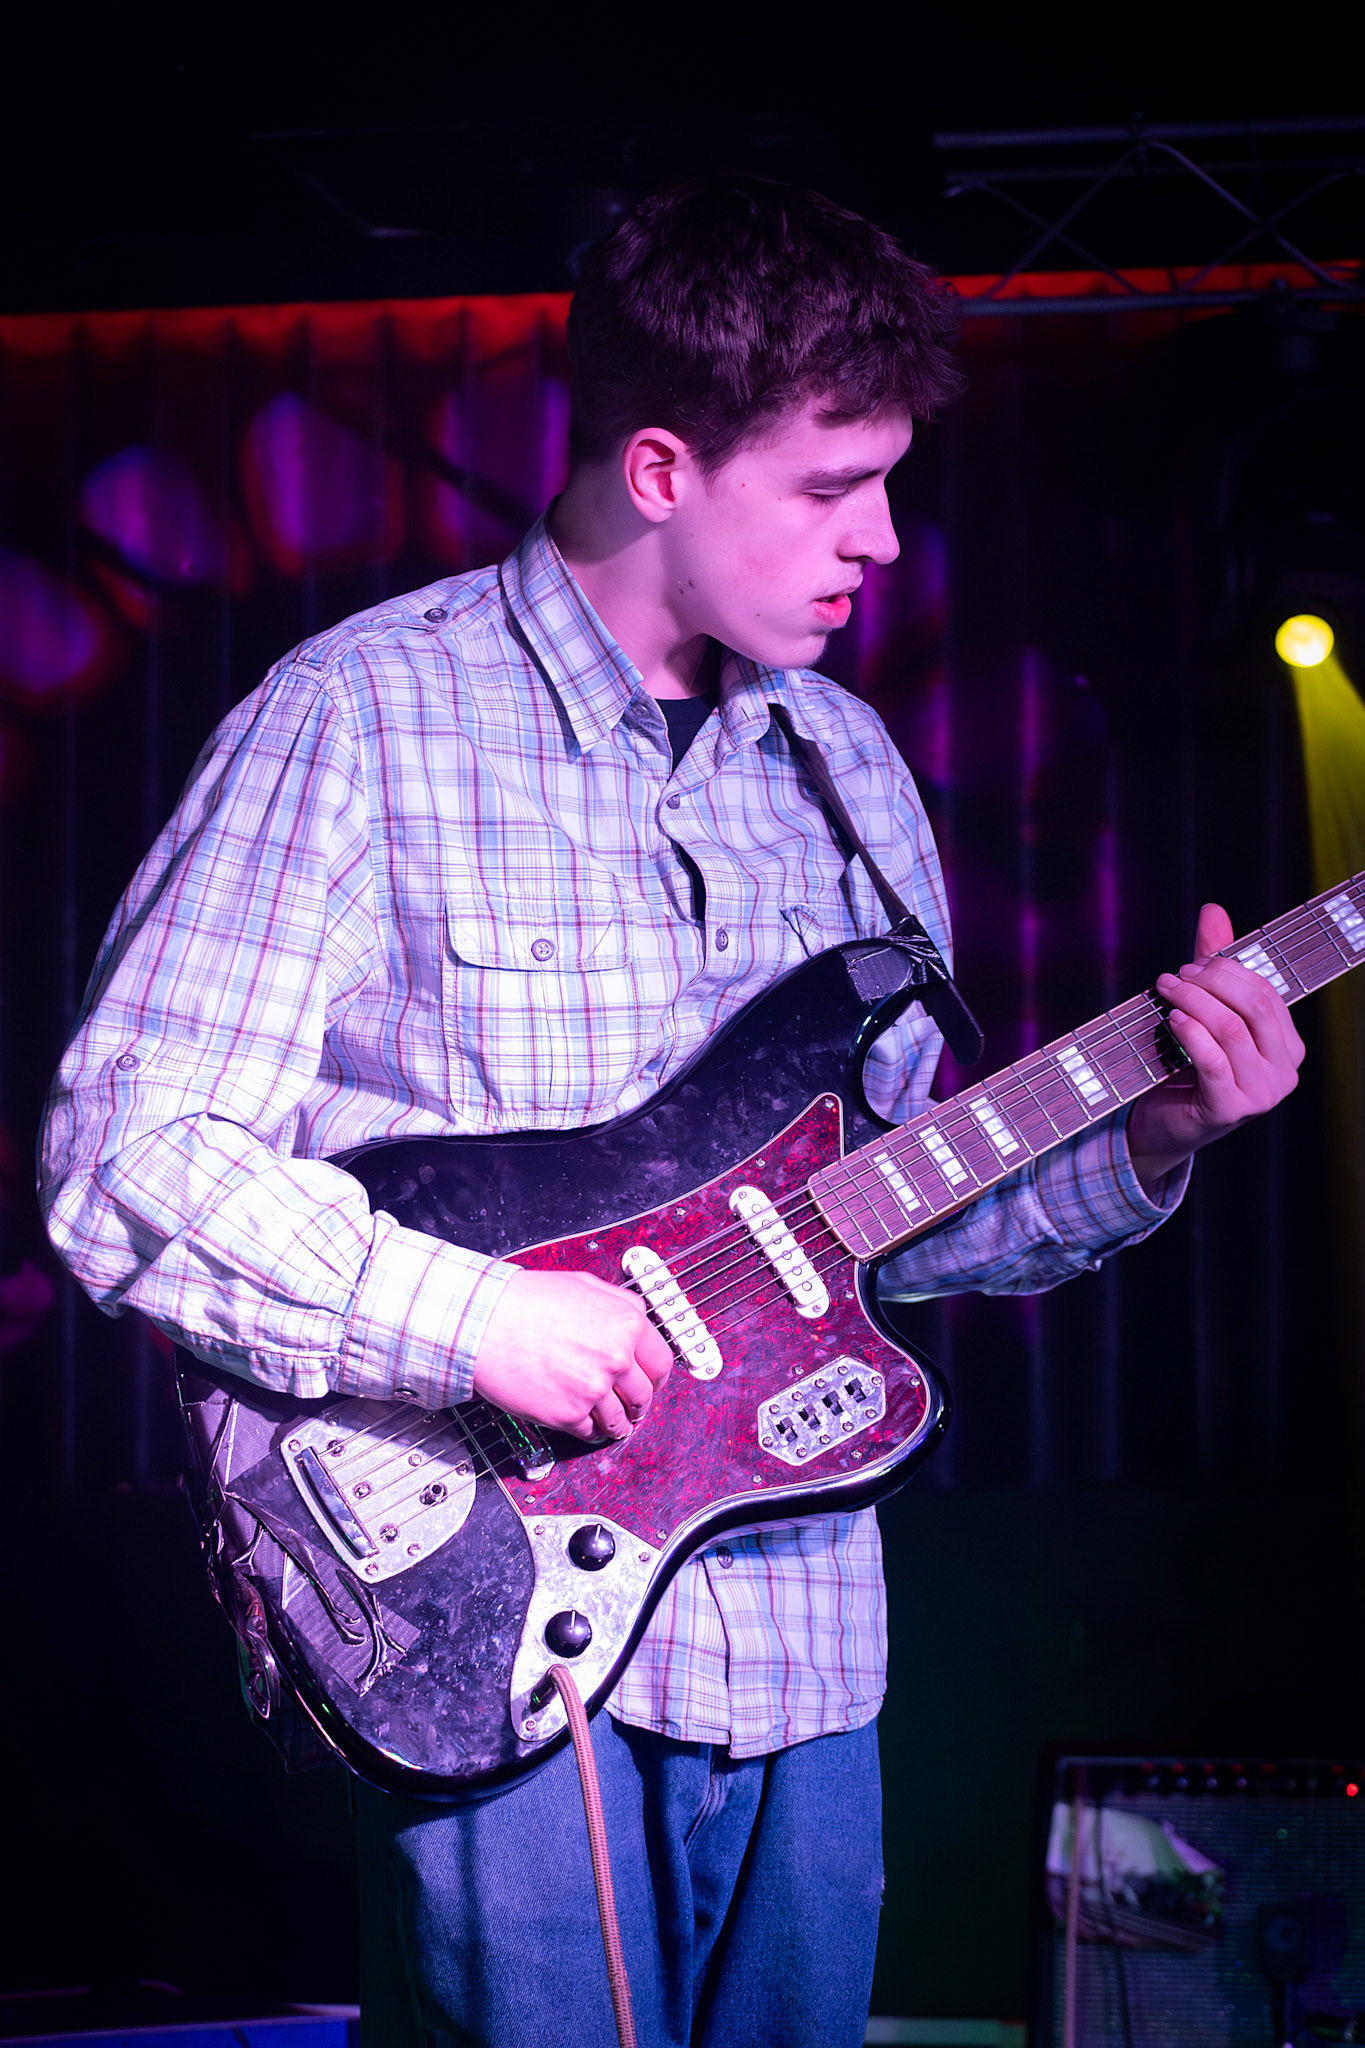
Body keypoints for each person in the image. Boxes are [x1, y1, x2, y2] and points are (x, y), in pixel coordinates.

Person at [38, 177, 1304, 2048]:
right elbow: (127, 1161)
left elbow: (889, 1217)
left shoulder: (844, 762)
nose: (881, 538)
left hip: (804, 1633)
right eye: (829, 486)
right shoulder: (362, 716)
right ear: (658, 469)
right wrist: (476, 1316)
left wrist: (1152, 1134)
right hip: (501, 1618)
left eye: (890, 483)